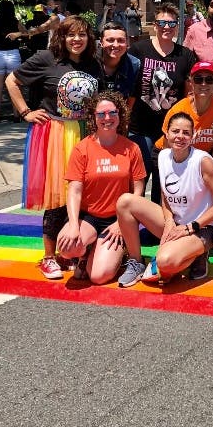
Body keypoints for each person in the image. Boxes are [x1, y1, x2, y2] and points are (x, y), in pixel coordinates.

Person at [4, 15, 102, 278]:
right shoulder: (47, 58)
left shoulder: (93, 65)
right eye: (71, 34)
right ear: (62, 36)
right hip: (56, 133)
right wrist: (25, 111)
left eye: (82, 34)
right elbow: (11, 81)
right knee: (58, 196)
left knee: (83, 195)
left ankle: (72, 249)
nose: (77, 39)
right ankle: (49, 256)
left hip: (84, 133)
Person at [114, 112, 213, 286]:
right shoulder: (163, 156)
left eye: (186, 133)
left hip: (201, 227)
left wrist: (191, 227)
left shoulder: (202, 161)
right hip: (175, 223)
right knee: (125, 202)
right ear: (166, 133)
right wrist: (168, 220)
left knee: (165, 262)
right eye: (175, 131)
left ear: (194, 136)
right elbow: (165, 193)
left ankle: (197, 254)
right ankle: (136, 262)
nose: (180, 137)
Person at [55, 92, 146, 283]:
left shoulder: (131, 148)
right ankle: (86, 251)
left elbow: (138, 190)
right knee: (67, 247)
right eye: (101, 114)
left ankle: (117, 253)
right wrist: (73, 225)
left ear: (120, 115)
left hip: (118, 219)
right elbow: (74, 190)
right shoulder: (82, 148)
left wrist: (122, 224)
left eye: (112, 113)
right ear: (93, 117)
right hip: (89, 218)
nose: (107, 118)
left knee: (98, 276)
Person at [128, 2, 198, 203]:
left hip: (169, 129)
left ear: (177, 26)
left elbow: (188, 94)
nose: (166, 27)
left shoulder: (185, 55)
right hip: (140, 127)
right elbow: (131, 88)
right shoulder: (139, 50)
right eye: (162, 23)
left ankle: (158, 226)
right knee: (138, 179)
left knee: (164, 180)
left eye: (171, 23)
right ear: (154, 25)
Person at [153, 61, 213, 161]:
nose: (203, 84)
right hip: (169, 154)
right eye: (198, 79)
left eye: (209, 79)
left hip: (201, 158)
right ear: (191, 83)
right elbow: (167, 147)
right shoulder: (177, 110)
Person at [0, 0, 27, 122]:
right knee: (14, 86)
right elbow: (26, 33)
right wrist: (17, 34)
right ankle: (16, 115)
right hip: (13, 54)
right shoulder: (16, 22)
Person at [98, 22, 140, 103]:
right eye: (110, 40)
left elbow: (132, 97)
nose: (116, 45)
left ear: (127, 43)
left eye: (121, 40)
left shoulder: (134, 65)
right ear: (101, 42)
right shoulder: (89, 62)